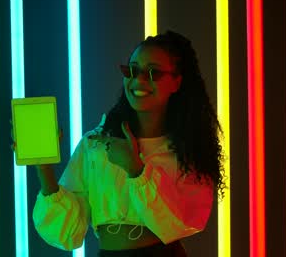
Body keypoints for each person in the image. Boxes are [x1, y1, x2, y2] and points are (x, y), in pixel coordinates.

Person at [31, 30, 226, 257]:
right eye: (132, 70)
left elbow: (180, 223)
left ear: (177, 82)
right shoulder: (96, 144)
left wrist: (136, 170)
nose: (139, 80)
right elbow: (67, 234)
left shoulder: (188, 149)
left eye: (153, 72)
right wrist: (43, 166)